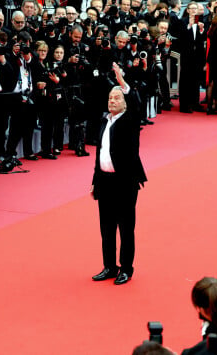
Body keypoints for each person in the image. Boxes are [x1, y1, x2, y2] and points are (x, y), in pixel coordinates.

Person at [90, 67, 146, 286]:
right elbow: (100, 155)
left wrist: (122, 82)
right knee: (106, 228)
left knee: (125, 227)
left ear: (124, 102)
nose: (112, 101)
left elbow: (136, 103)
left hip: (124, 181)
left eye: (117, 97)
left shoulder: (130, 120)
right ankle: (109, 266)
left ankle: (126, 268)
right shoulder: (105, 121)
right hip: (104, 180)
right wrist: (95, 181)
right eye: (110, 97)